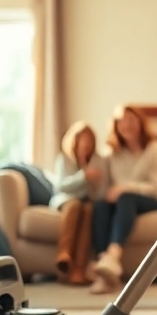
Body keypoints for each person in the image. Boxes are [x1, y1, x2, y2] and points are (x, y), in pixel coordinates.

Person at [89, 105, 157, 294]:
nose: (127, 125)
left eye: (131, 120)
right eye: (121, 121)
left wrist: (126, 188)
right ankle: (104, 267)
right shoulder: (111, 153)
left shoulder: (154, 149)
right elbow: (104, 190)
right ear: (116, 126)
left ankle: (113, 255)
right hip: (121, 202)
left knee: (126, 198)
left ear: (141, 124)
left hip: (151, 201)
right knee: (100, 205)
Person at [50, 120, 106, 285]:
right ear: (74, 140)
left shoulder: (98, 161)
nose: (86, 144)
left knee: (89, 210)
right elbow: (61, 186)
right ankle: (64, 252)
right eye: (83, 139)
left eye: (89, 140)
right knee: (75, 205)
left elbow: (97, 194)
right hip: (65, 200)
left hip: (87, 201)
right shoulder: (64, 159)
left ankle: (79, 269)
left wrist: (93, 180)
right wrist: (83, 176)